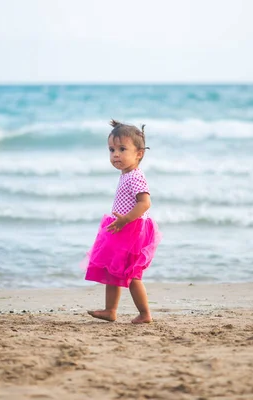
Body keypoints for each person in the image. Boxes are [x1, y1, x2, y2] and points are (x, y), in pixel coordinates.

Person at [83, 119, 162, 324]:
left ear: (139, 154)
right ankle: (111, 310)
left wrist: (125, 220)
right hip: (122, 228)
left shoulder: (135, 177)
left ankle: (145, 314)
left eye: (122, 149)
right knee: (112, 270)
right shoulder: (126, 175)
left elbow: (145, 203)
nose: (115, 154)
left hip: (131, 230)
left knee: (132, 274)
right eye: (111, 149)